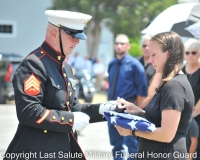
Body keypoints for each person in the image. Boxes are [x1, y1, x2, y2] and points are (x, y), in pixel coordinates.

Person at [3, 10, 118, 160]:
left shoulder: (65, 67)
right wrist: (70, 120)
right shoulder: (34, 64)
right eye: (72, 36)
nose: (77, 41)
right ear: (54, 33)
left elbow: (74, 107)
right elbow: (29, 111)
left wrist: (104, 110)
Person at [115, 31, 195, 160]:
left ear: (168, 53)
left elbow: (166, 134)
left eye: (153, 55)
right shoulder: (170, 83)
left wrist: (131, 131)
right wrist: (138, 111)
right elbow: (159, 120)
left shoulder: (174, 86)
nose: (150, 60)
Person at [107, 34, 148, 160]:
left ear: (128, 46)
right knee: (116, 144)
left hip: (128, 110)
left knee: (132, 145)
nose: (119, 46)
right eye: (117, 43)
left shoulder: (135, 65)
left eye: (122, 43)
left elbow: (142, 90)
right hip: (112, 109)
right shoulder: (112, 64)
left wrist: (137, 111)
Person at [137, 34, 160, 109]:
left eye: (149, 46)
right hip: (134, 101)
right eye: (144, 46)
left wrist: (140, 107)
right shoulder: (136, 62)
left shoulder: (157, 64)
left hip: (151, 104)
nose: (146, 48)